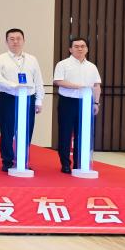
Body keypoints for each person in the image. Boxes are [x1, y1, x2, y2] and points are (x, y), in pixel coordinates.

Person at [0, 28, 45, 172]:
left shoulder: (32, 59)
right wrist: (14, 85)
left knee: (26, 130)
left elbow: (38, 81)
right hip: (8, 98)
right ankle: (7, 161)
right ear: (6, 42)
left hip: (28, 99)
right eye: (12, 39)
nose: (15, 42)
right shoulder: (0, 59)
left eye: (18, 38)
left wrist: (39, 100)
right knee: (7, 131)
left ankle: (22, 160)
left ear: (23, 41)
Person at [53, 37, 102, 174]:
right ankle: (65, 164)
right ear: (70, 49)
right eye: (76, 46)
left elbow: (97, 85)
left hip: (85, 103)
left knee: (83, 134)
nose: (80, 48)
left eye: (82, 46)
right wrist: (79, 87)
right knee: (65, 133)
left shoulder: (92, 66)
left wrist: (96, 102)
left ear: (87, 49)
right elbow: (58, 81)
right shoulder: (63, 64)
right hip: (67, 102)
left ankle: (78, 163)